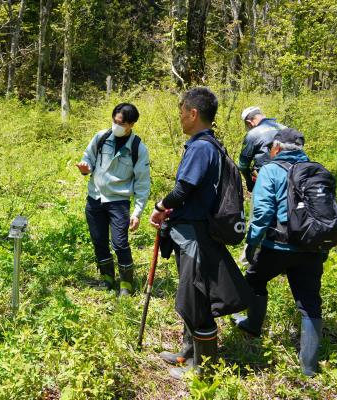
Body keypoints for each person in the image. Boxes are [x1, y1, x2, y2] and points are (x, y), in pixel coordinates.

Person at [150, 88, 250, 379]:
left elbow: (184, 189)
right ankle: (188, 352)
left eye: (182, 113)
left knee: (196, 297)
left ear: (193, 113)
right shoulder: (210, 146)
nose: (180, 118)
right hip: (192, 231)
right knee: (192, 294)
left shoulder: (201, 147)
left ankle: (203, 369)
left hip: (195, 234)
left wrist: (160, 207)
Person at [232, 128, 324, 377]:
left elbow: (261, 213)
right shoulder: (317, 170)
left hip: (278, 245)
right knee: (309, 302)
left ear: (276, 148)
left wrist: (252, 243)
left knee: (254, 280)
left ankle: (252, 325)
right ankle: (308, 369)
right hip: (312, 247)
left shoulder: (270, 170)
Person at [76, 103, 151, 296]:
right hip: (95, 197)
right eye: (114, 121)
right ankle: (107, 277)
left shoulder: (137, 148)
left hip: (118, 201)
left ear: (131, 124)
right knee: (99, 240)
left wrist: (137, 212)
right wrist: (86, 168)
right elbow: (88, 158)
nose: (116, 125)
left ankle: (126, 283)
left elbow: (142, 183)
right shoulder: (101, 137)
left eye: (121, 123)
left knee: (119, 243)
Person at [238, 106, 286, 192]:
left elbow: (243, 165)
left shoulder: (253, 134)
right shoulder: (284, 128)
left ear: (249, 123)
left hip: (269, 183)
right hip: (291, 179)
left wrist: (249, 181)